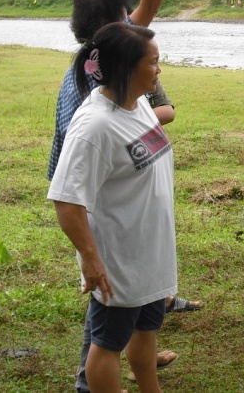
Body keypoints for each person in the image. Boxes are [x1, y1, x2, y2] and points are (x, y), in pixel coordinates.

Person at [45, 0, 199, 392]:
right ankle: (91, 378)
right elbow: (71, 189)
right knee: (105, 331)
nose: (159, 67)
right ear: (115, 29)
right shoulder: (94, 99)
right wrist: (90, 256)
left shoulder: (122, 87)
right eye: (127, 17)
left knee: (136, 321)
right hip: (101, 210)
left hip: (136, 228)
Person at [49, 23, 175, 393]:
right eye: (153, 62)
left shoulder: (138, 107)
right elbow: (66, 199)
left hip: (150, 249)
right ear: (125, 66)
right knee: (107, 345)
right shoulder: (94, 125)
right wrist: (90, 258)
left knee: (146, 331)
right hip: (118, 257)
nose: (159, 69)